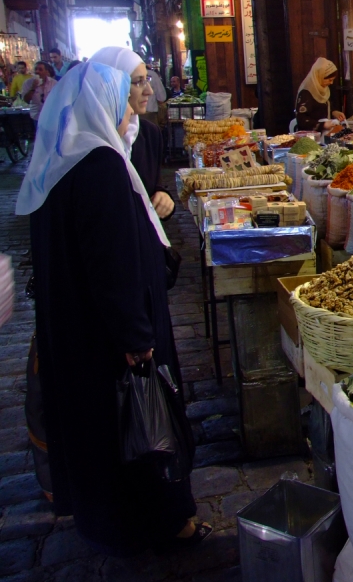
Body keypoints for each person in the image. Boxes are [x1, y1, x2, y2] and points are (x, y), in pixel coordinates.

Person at [15, 61, 210, 556]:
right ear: (101, 105)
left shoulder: (58, 163)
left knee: (98, 431)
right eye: (124, 100)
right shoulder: (99, 166)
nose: (131, 112)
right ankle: (161, 523)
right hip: (113, 339)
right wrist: (136, 338)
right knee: (140, 427)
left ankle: (107, 520)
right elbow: (112, 262)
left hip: (80, 335)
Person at [89, 47, 174, 220]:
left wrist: (163, 197)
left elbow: (153, 186)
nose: (149, 91)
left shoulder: (150, 135)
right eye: (138, 82)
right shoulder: (85, 147)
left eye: (147, 79)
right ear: (111, 86)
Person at [294, 57, 345, 132]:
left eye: (332, 80)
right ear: (319, 76)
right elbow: (301, 120)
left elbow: (323, 106)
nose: (331, 83)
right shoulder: (306, 92)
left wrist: (334, 112)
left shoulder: (323, 89)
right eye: (329, 80)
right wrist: (322, 125)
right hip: (310, 137)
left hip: (324, 135)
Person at [21, 62, 57, 126]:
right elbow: (26, 100)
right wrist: (33, 88)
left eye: (40, 69)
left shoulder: (53, 83)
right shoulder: (27, 83)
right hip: (36, 116)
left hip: (50, 116)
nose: (37, 71)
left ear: (46, 71)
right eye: (36, 69)